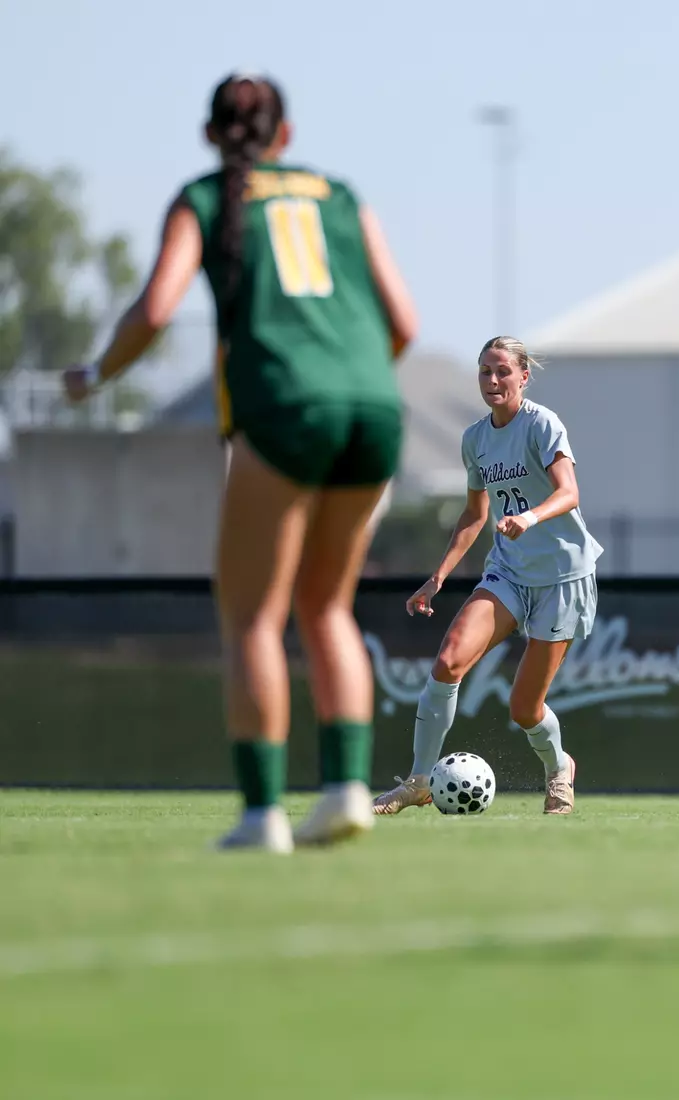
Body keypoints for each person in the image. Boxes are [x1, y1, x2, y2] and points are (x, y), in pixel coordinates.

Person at [63, 74, 418, 853]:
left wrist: (96, 375)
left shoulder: (202, 196)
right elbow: (404, 322)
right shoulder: (341, 194)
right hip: (375, 407)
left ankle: (262, 816)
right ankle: (348, 790)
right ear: (285, 135)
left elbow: (155, 310)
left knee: (253, 612)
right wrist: (345, 375)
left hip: (287, 407)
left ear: (210, 136)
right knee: (327, 607)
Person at [373, 335, 602, 817]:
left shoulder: (542, 423)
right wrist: (437, 577)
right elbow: (474, 515)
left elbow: (570, 493)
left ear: (523, 376)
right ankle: (418, 781)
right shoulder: (475, 438)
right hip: (508, 573)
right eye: (485, 371)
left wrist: (530, 518)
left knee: (524, 709)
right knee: (448, 661)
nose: (493, 380)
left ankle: (560, 768)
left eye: (503, 371)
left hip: (562, 577)